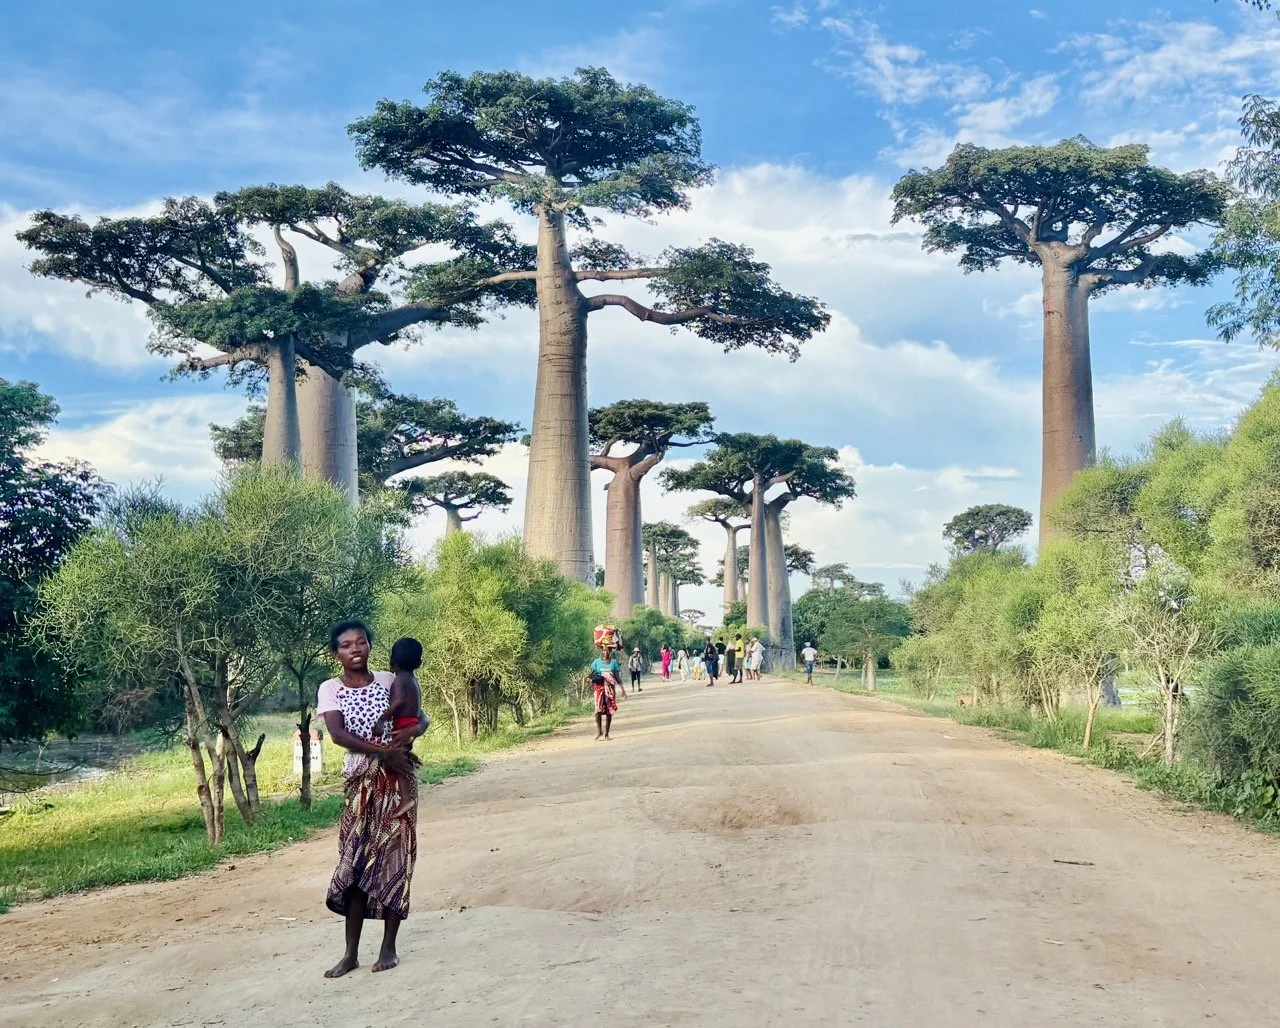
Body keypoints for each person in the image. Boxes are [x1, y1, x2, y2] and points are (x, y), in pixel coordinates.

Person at [317, 620, 429, 978]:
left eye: (361, 642)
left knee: (394, 861)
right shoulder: (330, 689)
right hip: (359, 785)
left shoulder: (389, 679)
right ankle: (350, 953)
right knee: (354, 865)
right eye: (347, 645)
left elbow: (422, 717)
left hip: (395, 783)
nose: (355, 649)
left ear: (370, 645)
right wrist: (384, 751)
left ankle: (388, 946)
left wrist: (409, 733)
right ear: (336, 653)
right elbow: (337, 735)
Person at [373, 637, 426, 821]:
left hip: (404, 723)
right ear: (419, 662)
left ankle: (405, 798)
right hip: (411, 721)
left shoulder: (400, 681)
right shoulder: (412, 680)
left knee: (397, 759)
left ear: (392, 660)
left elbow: (398, 703)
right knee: (401, 756)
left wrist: (383, 718)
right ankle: (406, 796)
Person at [591, 646, 625, 740]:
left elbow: (617, 677)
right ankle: (599, 731)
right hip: (598, 689)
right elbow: (593, 673)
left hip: (610, 690)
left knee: (609, 711)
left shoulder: (613, 663)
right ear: (602, 651)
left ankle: (606, 734)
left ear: (610, 652)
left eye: (608, 650)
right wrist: (588, 678)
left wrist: (622, 690)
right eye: (604, 650)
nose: (606, 652)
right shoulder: (597, 662)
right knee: (598, 710)